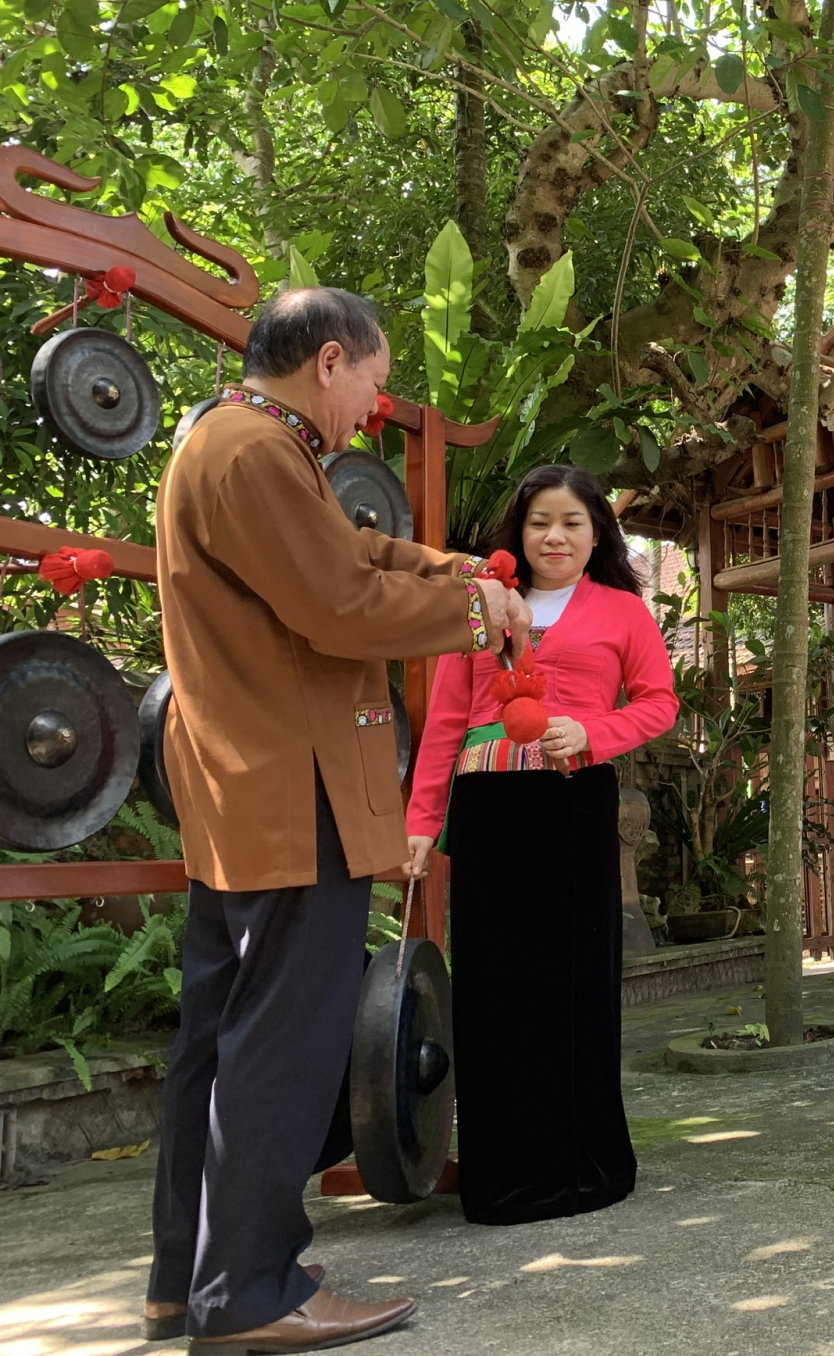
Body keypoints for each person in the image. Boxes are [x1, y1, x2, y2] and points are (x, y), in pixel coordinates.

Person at [148, 288, 529, 1351]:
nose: (376, 399)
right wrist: (467, 613)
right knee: (281, 1040)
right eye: (373, 376)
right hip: (293, 787)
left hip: (248, 788)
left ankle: (191, 1274)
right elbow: (338, 608)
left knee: (219, 1039)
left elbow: (352, 559)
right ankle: (252, 1292)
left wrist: (451, 571)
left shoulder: (237, 444)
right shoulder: (255, 454)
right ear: (328, 360)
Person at [405, 465, 679, 1225]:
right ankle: (505, 1177)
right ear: (517, 533)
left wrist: (594, 731)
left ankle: (585, 1167)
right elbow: (445, 726)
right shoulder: (484, 607)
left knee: (575, 984)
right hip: (491, 808)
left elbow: (659, 704)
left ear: (597, 535)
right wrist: (422, 823)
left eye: (571, 523)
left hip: (573, 802)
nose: (554, 537)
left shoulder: (624, 612)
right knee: (495, 991)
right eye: (538, 523)